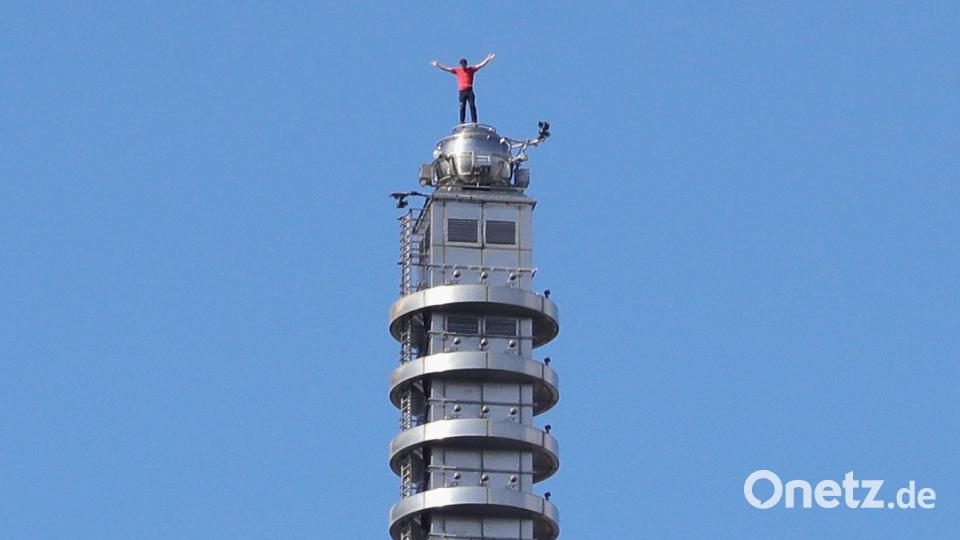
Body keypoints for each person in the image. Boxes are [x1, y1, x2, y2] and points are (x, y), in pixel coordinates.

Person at [431, 53, 496, 124]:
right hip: (462, 92)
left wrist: (488, 59)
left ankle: (474, 121)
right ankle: (462, 122)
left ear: (466, 64)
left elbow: (480, 65)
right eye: (461, 65)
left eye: (463, 65)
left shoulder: (471, 70)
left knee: (472, 105)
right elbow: (447, 69)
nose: (462, 66)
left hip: (469, 91)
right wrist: (438, 65)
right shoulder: (457, 71)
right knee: (462, 107)